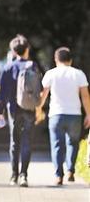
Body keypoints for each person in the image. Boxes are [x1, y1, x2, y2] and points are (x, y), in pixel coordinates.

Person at [37, 47, 90, 185]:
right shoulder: (79, 74)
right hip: (75, 115)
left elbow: (43, 94)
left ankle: (58, 176)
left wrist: (38, 109)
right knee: (72, 143)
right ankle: (70, 171)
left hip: (56, 114)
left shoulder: (50, 74)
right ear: (70, 60)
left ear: (56, 59)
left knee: (56, 145)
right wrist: (89, 114)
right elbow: (85, 96)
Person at [0, 34, 41, 187]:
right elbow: (38, 89)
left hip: (13, 109)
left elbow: (2, 93)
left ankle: (14, 175)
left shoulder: (8, 67)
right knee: (27, 141)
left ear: (13, 51)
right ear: (27, 48)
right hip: (29, 108)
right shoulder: (33, 66)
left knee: (15, 141)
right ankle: (24, 176)